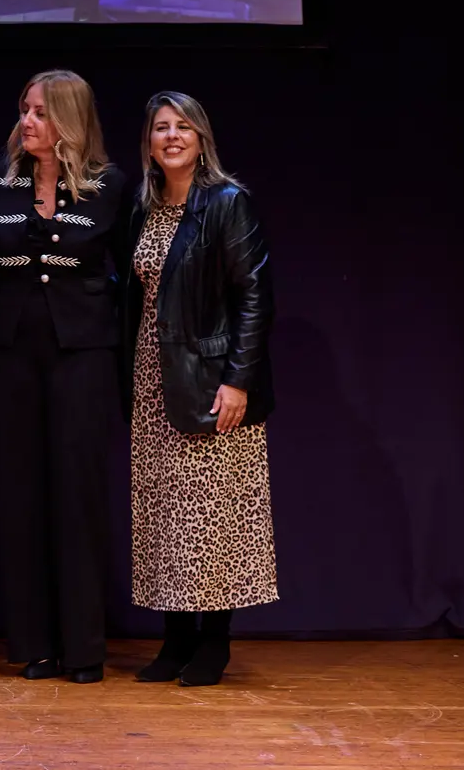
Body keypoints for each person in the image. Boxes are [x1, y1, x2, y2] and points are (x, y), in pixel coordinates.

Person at [123, 92, 278, 688]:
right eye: (160, 127)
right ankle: (175, 637)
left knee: (212, 516)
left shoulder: (227, 203)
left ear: (202, 137)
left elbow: (255, 295)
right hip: (152, 377)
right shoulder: (146, 210)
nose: (171, 136)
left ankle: (214, 641)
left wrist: (238, 379)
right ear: (148, 144)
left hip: (211, 379)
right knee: (166, 515)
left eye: (183, 126)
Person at [0, 69, 128, 685]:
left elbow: (134, 277)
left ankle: (84, 647)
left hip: (83, 356)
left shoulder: (110, 187)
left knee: (78, 495)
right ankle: (35, 643)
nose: (28, 121)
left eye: (41, 111)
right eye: (24, 109)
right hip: (14, 356)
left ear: (70, 118)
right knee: (22, 495)